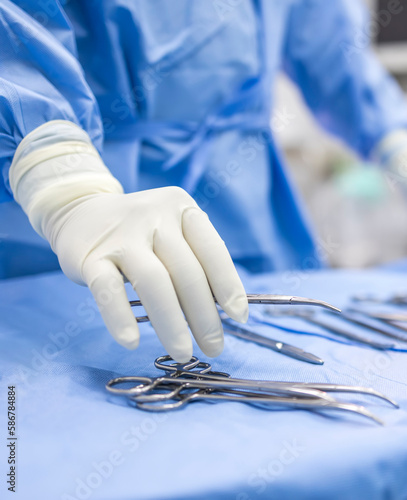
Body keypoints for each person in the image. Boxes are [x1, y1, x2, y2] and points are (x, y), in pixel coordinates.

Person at [1, 0, 407, 361]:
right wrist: (67, 186)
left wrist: (394, 136)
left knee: (260, 350)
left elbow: (328, 43)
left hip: (248, 207)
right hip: (94, 220)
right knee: (76, 368)